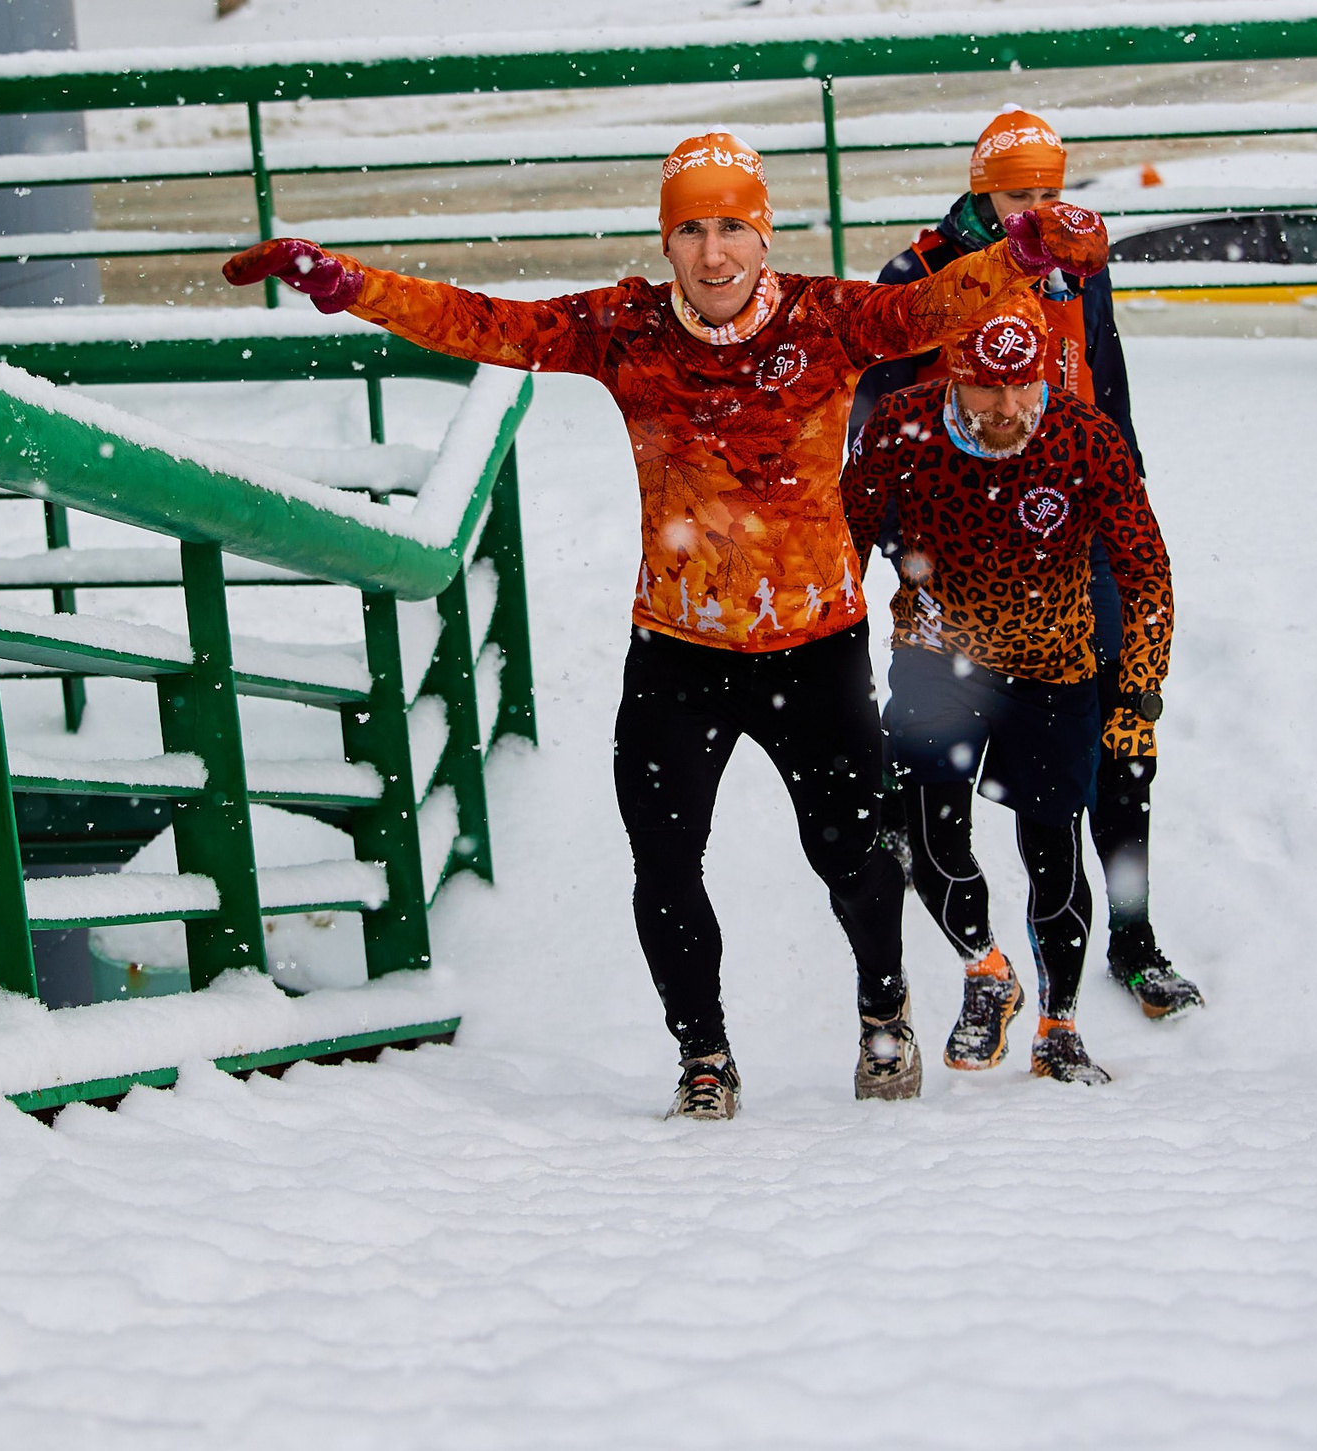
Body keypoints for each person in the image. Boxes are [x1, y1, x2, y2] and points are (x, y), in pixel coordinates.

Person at [223, 133, 1107, 1121]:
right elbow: (488, 324)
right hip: (678, 654)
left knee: (854, 856)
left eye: (731, 227)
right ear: (666, 240)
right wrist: (350, 285)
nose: (712, 253)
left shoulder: (827, 319)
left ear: (763, 234)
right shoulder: (625, 327)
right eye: (690, 230)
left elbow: (930, 309)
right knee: (665, 860)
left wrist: (1022, 253)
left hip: (814, 649)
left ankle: (883, 1010)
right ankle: (704, 1053)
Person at [859, 108, 1201, 1028]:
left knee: (1123, 736)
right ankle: (957, 921)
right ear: (981, 189)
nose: (1037, 209)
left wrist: (1126, 496)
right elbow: (874, 424)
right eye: (1018, 193)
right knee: (943, 754)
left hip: (1075, 528)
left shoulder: (1079, 263)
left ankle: (1132, 936)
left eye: (1050, 190)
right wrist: (906, 547)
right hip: (961, 550)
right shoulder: (919, 275)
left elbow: (1107, 381)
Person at [843, 304, 1174, 1083]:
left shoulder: (1085, 437)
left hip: (1053, 663)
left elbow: (1147, 570)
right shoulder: (901, 426)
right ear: (955, 374)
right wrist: (833, 667)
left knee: (1053, 851)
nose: (1009, 407)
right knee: (929, 842)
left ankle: (1060, 1026)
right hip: (936, 654)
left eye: (1024, 385)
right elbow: (843, 540)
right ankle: (986, 969)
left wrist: (1139, 693)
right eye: (989, 388)